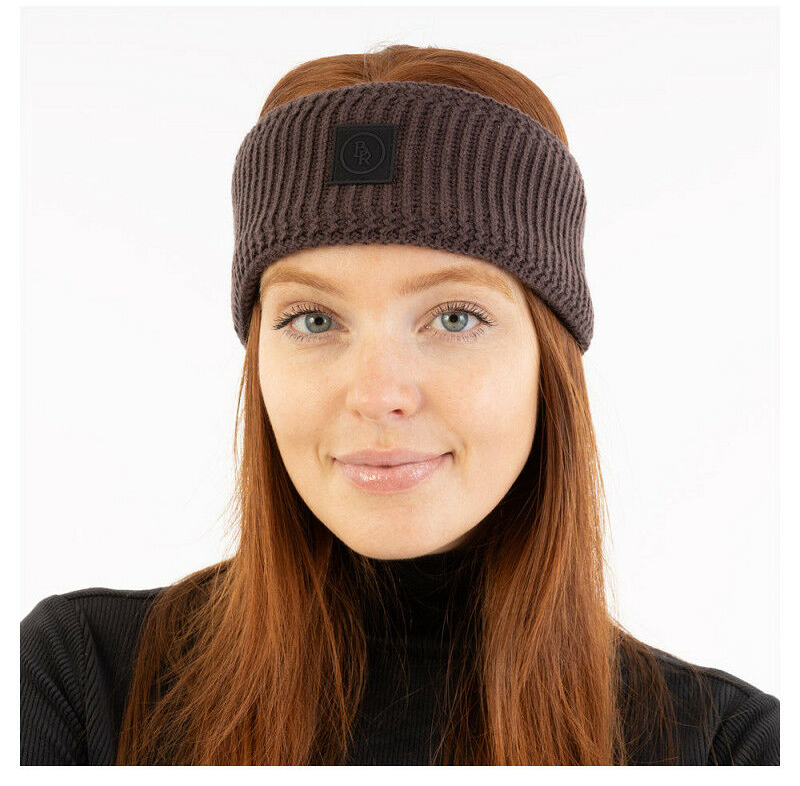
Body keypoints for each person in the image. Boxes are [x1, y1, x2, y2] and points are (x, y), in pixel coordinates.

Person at [20, 44, 779, 766]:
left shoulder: (729, 750)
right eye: (313, 320)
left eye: (455, 317)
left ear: (549, 360)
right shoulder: (78, 683)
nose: (378, 394)